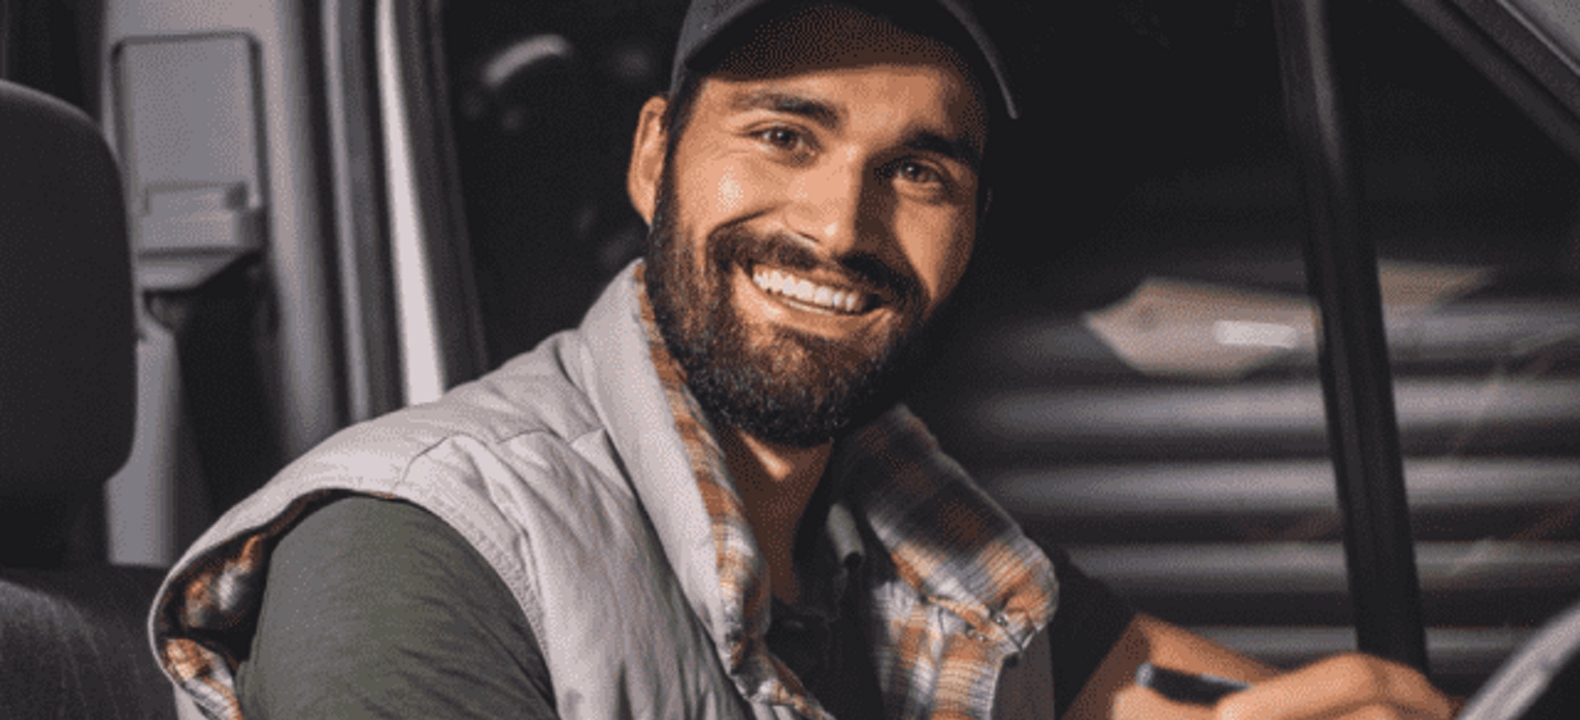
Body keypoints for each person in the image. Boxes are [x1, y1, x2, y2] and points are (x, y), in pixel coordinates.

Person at [149, 1, 1459, 718]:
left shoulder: (907, 542)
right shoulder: (424, 552)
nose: (841, 228)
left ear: (970, 229)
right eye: (786, 134)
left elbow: (1158, 686)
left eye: (919, 169)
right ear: (657, 155)